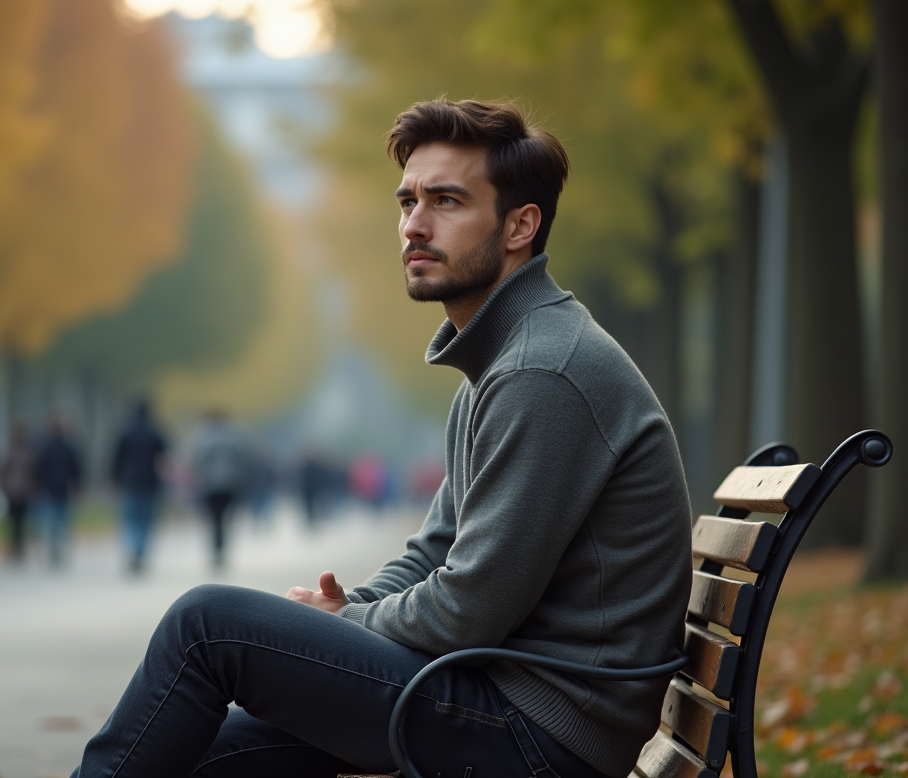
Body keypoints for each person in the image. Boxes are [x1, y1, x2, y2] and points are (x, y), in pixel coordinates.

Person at [70, 99, 692, 778]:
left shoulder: (542, 370)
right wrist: (352, 607)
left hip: (535, 738)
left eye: (447, 201)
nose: (414, 226)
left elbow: (466, 610)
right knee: (200, 755)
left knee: (206, 625)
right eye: (408, 202)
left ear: (520, 225)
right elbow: (435, 551)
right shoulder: (503, 362)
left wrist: (341, 628)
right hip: (505, 705)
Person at [187, 408, 250, 569]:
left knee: (215, 518)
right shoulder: (235, 437)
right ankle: (222, 547)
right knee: (226, 517)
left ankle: (217, 548)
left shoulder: (204, 437)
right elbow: (244, 459)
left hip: (210, 484)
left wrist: (197, 477)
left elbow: (197, 460)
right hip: (231, 483)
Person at [109, 400, 167, 574]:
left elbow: (117, 459)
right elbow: (163, 459)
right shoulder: (156, 433)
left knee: (130, 518)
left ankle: (134, 547)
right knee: (146, 519)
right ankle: (141, 550)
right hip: (151, 482)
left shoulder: (126, 433)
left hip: (130, 480)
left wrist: (114, 479)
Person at [33, 414, 82, 567]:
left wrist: (38, 483)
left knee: (52, 518)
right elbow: (76, 468)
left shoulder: (44, 446)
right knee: (62, 518)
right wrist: (78, 485)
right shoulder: (69, 446)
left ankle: (54, 545)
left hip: (49, 488)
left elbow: (38, 468)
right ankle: (58, 545)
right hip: (63, 487)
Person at [0, 422, 34, 565]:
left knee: (16, 521)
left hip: (15, 490)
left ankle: (16, 547)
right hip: (18, 491)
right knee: (17, 521)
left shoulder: (11, 449)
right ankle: (16, 547)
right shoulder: (26, 450)